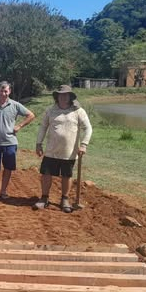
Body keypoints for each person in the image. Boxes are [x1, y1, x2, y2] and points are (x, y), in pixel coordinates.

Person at [35, 84, 93, 213]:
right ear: (57, 96)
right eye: (60, 95)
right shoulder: (50, 110)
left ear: (70, 97)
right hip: (51, 150)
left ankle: (64, 199)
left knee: (66, 175)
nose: (63, 97)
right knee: (46, 174)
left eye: (66, 95)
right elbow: (43, 127)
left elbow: (88, 128)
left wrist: (84, 144)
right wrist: (39, 143)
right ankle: (44, 199)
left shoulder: (78, 111)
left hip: (69, 152)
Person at [0, 81, 35, 200]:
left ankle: (3, 191)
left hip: (10, 142)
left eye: (6, 91)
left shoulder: (15, 105)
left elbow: (31, 115)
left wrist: (20, 126)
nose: (4, 93)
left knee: (7, 168)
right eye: (2, 90)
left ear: (9, 92)